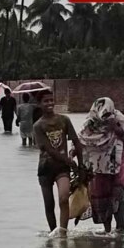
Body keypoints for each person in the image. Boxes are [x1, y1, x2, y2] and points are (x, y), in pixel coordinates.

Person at [78, 97, 124, 233]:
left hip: (119, 167)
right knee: (102, 199)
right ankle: (107, 231)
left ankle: (121, 228)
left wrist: (116, 128)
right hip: (98, 171)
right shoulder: (90, 123)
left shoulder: (119, 118)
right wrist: (73, 155)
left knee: (119, 197)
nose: (106, 117)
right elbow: (81, 140)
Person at [33, 89, 83, 237]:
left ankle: (62, 233)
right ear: (40, 104)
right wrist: (68, 160)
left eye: (51, 100)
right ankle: (52, 232)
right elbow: (47, 148)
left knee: (63, 198)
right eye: (45, 101)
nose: (49, 103)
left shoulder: (64, 120)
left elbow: (76, 142)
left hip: (62, 169)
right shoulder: (38, 126)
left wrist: (80, 165)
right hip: (45, 168)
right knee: (49, 204)